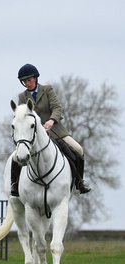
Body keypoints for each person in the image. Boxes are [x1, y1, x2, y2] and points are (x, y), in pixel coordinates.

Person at [11, 63, 91, 196]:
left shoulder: (47, 90)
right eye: (24, 81)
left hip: (56, 131)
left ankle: (79, 182)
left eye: (29, 80)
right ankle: (15, 184)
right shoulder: (22, 96)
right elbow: (22, 116)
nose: (27, 83)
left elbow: (57, 107)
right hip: (34, 135)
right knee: (15, 157)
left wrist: (51, 121)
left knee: (78, 150)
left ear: (36, 78)